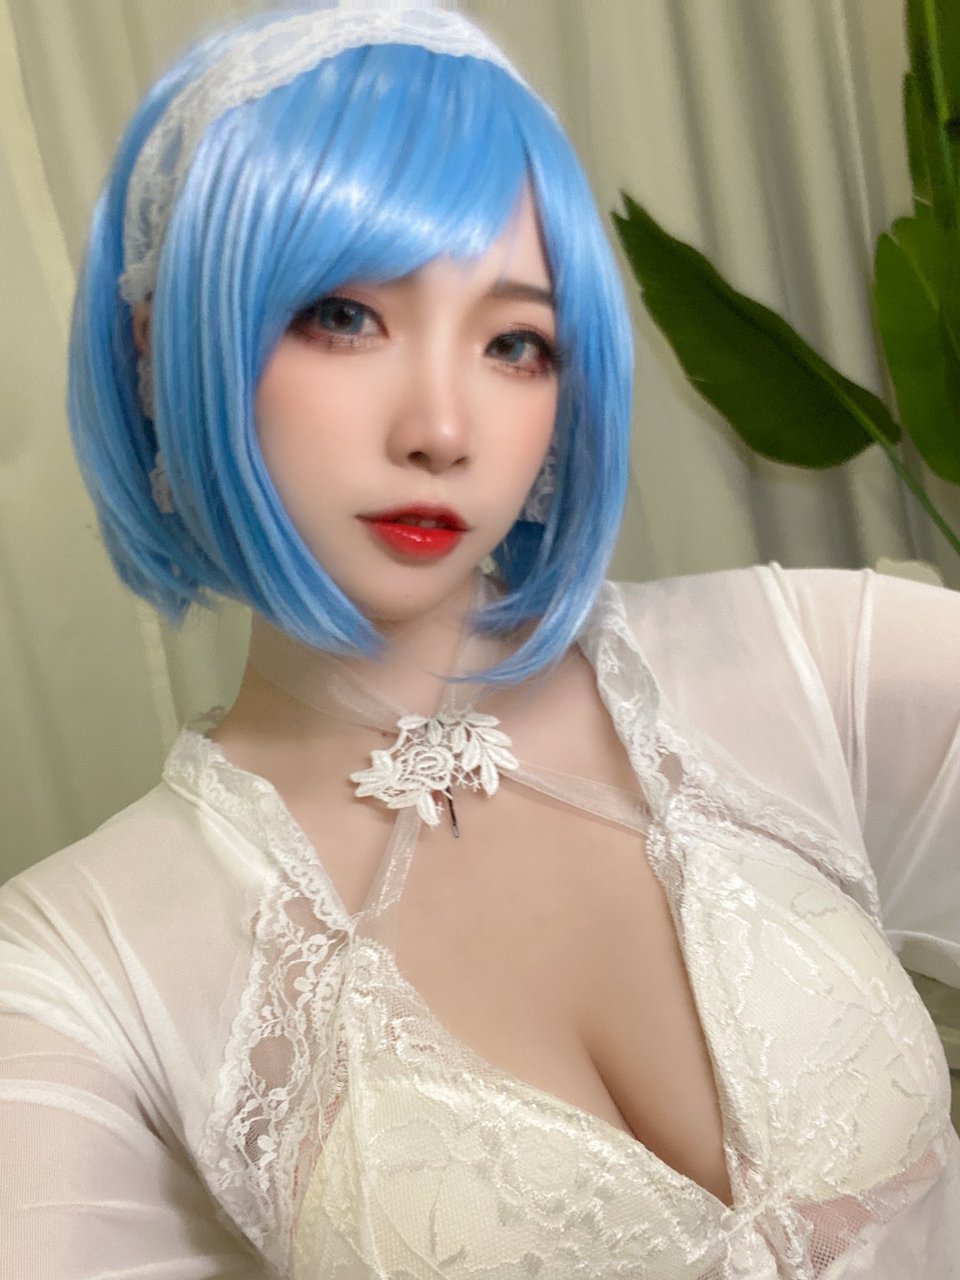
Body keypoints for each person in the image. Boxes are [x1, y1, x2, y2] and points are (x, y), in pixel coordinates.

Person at [1, 6, 959, 1277]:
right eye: (344, 315)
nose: (442, 428)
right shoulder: (78, 970)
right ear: (156, 341)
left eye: (515, 341)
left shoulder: (803, 658)